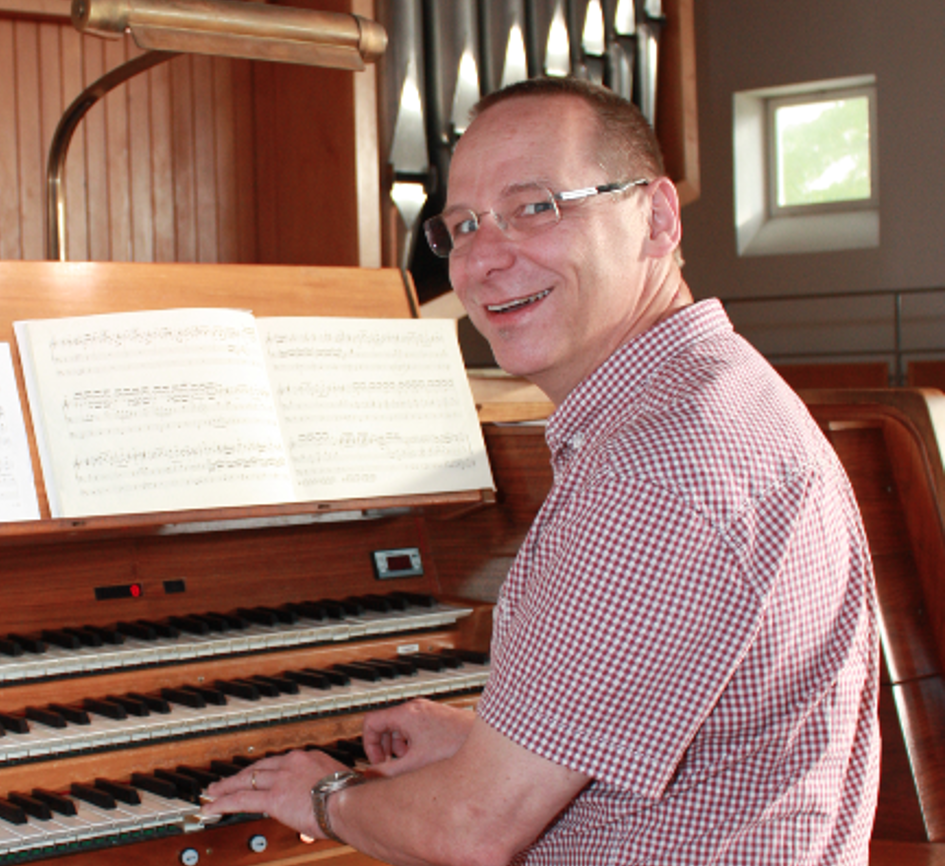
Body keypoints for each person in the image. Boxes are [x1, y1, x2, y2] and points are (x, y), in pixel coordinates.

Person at [202, 77, 880, 864]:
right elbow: (711, 724)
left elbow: (471, 832)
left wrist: (323, 796)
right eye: (462, 225)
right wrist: (485, 740)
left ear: (656, 218)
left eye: (537, 207)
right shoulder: (720, 393)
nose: (485, 258)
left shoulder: (653, 472)